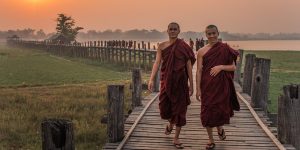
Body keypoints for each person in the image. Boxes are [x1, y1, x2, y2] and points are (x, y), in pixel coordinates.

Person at [148, 22, 196, 149]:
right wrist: (151, 79)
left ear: (179, 30)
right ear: (167, 31)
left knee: (180, 111)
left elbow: (189, 66)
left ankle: (176, 138)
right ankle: (170, 124)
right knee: (164, 109)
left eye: (175, 29)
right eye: (171, 29)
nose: (173, 31)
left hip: (180, 83)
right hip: (166, 82)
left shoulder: (184, 47)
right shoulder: (162, 46)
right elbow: (157, 63)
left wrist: (191, 84)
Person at [196, 25, 239, 150]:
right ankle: (211, 140)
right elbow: (198, 71)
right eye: (209, 34)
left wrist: (221, 67)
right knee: (207, 112)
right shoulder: (201, 51)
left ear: (218, 33)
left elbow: (233, 67)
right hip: (207, 86)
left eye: (214, 33)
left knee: (219, 110)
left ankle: (219, 128)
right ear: (206, 35)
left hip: (221, 86)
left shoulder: (225, 48)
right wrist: (198, 89)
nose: (212, 36)